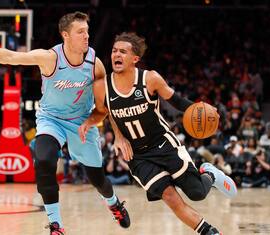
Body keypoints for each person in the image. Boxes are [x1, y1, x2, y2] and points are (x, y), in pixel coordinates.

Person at [0, 11, 130, 234]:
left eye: (87, 32)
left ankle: (113, 203)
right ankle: (56, 225)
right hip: (51, 119)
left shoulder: (95, 65)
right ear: (65, 35)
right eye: (80, 32)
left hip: (82, 122)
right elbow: (13, 57)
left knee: (98, 179)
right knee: (43, 161)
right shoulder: (50, 58)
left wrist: (98, 126)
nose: (86, 36)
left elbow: (104, 109)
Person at [79, 32, 237, 235]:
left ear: (135, 59)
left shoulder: (150, 79)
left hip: (163, 144)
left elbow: (178, 102)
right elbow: (104, 112)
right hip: (137, 156)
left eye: (123, 52)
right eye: (114, 51)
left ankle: (208, 173)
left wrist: (205, 109)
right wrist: (91, 123)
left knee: (197, 193)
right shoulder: (101, 87)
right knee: (170, 197)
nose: (116, 54)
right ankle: (209, 232)